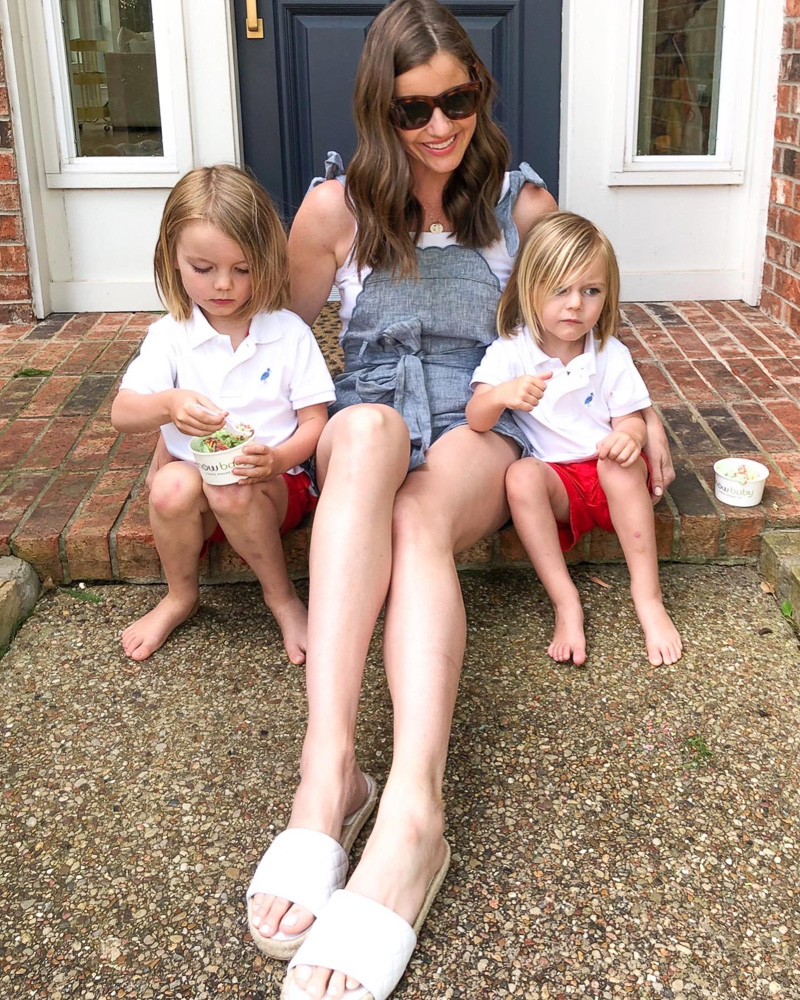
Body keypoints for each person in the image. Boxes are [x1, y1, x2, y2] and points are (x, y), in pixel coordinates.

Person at [246, 3, 675, 998]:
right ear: (378, 111)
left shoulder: (518, 203)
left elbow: (585, 305)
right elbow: (270, 340)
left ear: (481, 89)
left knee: (415, 514)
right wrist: (219, 433)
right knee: (359, 433)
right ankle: (329, 775)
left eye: (459, 99)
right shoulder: (335, 207)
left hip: (475, 429)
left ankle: (411, 813)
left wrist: (638, 407)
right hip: (372, 418)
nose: (439, 127)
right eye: (413, 110)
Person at [111, 165, 335, 664]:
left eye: (242, 267)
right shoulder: (172, 334)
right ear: (173, 258)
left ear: (268, 259)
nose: (223, 285)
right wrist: (167, 404)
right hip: (195, 485)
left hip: (271, 485)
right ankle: (180, 595)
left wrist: (277, 461)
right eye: (203, 268)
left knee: (230, 490)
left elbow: (315, 422)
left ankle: (281, 597)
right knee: (170, 485)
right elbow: (123, 413)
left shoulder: (288, 331)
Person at [466, 211, 683, 668]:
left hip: (613, 482)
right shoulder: (511, 351)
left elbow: (631, 420)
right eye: (559, 289)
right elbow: (477, 418)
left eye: (591, 291)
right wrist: (502, 394)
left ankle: (649, 597)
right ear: (529, 287)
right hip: (560, 484)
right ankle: (565, 602)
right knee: (522, 476)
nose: (575, 305)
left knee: (616, 464)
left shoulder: (609, 353)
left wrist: (628, 436)